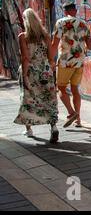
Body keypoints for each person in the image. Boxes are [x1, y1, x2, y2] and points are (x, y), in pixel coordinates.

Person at [14, 8, 59, 143]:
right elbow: (51, 57)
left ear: (26, 21)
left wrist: (26, 77)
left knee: (27, 99)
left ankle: (29, 129)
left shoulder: (23, 36)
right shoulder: (46, 36)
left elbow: (25, 58)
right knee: (49, 99)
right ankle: (54, 127)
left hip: (31, 71)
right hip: (45, 70)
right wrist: (51, 71)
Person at [51, 2, 91, 128]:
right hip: (79, 62)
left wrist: (50, 59)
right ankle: (78, 120)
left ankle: (71, 112)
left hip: (65, 62)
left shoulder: (60, 23)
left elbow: (54, 43)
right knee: (75, 90)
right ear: (75, 10)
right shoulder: (83, 24)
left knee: (61, 88)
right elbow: (89, 46)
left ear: (65, 11)